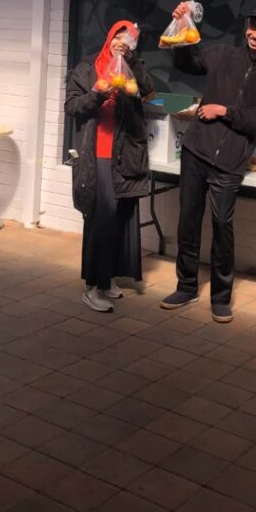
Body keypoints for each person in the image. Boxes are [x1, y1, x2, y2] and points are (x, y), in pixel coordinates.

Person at [161, 4, 256, 323]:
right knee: (188, 220)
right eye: (252, 26)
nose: (255, 34)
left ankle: (221, 296)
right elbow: (186, 62)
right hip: (196, 150)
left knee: (221, 225)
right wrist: (180, 25)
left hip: (231, 160)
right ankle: (186, 286)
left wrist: (223, 111)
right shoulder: (222, 54)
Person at [65, 21, 154, 313]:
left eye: (128, 38)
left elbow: (148, 91)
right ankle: (92, 285)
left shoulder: (131, 67)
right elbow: (73, 107)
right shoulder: (87, 69)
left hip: (124, 153)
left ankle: (108, 278)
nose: (121, 41)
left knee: (121, 217)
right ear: (109, 37)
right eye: (118, 36)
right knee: (101, 216)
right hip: (95, 153)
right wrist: (99, 92)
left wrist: (132, 60)